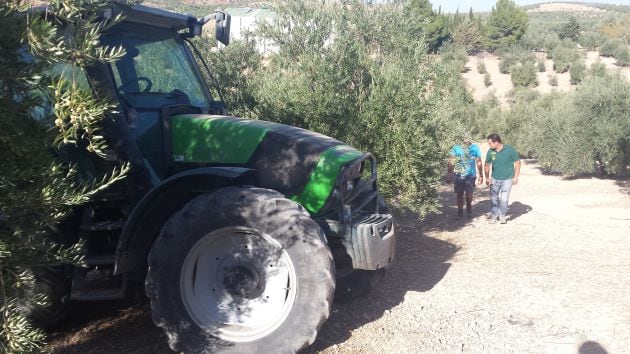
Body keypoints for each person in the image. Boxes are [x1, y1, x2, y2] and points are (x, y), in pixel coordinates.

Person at [484, 133, 521, 224]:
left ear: (496, 142)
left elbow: (517, 162)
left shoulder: (509, 150)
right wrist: (487, 178)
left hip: (507, 179)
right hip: (495, 179)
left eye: (490, 143)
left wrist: (516, 177)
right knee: (493, 198)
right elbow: (487, 165)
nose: (489, 145)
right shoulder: (491, 151)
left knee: (504, 199)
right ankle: (494, 215)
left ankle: (502, 215)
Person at [447, 137, 483, 218]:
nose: (466, 140)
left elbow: (479, 162)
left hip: (471, 175)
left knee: (469, 194)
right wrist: (449, 174)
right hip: (458, 175)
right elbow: (451, 161)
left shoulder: (474, 148)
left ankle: (469, 207)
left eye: (468, 138)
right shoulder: (456, 148)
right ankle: (460, 212)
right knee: (459, 194)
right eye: (465, 138)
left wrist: (481, 175)